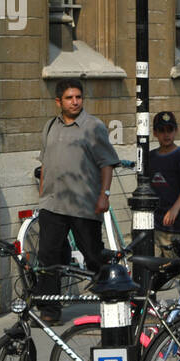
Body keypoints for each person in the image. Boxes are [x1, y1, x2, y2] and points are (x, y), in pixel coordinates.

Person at [37, 78, 120, 322]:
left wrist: (104, 195)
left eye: (78, 97)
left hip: (83, 205)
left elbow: (106, 164)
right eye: (69, 98)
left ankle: (113, 299)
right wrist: (42, 194)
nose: (75, 102)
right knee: (48, 256)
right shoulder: (50, 127)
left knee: (93, 255)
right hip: (52, 204)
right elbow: (44, 163)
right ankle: (49, 310)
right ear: (58, 102)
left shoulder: (93, 127)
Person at [147, 110, 180, 258]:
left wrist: (174, 209)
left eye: (170, 130)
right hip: (155, 225)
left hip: (177, 226)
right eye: (162, 131)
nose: (166, 135)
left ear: (176, 131)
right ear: (155, 133)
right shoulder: (150, 157)